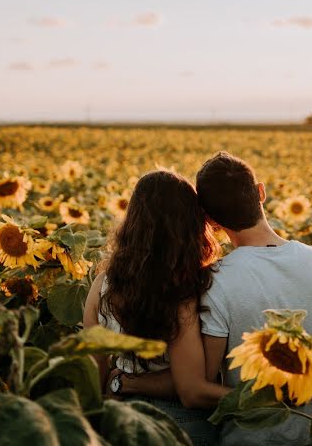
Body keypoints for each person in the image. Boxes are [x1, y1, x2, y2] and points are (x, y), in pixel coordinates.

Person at [196, 151, 312, 445]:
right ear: (261, 193)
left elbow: (206, 381)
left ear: (211, 220)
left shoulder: (216, 280)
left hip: (246, 438)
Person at [83, 169, 230, 446]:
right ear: (189, 223)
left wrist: (120, 386)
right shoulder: (186, 291)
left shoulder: (103, 286)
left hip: (121, 417)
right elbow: (189, 384)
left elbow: (92, 375)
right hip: (181, 424)